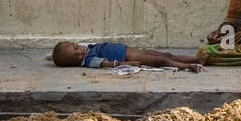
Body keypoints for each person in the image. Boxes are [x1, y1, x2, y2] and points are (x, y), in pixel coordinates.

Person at [52, 41, 203, 72]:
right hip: (127, 55)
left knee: (166, 54)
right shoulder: (90, 60)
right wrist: (128, 64)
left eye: (76, 47)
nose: (80, 52)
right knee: (161, 61)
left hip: (129, 49)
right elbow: (106, 64)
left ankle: (197, 59)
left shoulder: (85, 47)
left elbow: (55, 53)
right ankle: (190, 66)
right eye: (75, 57)